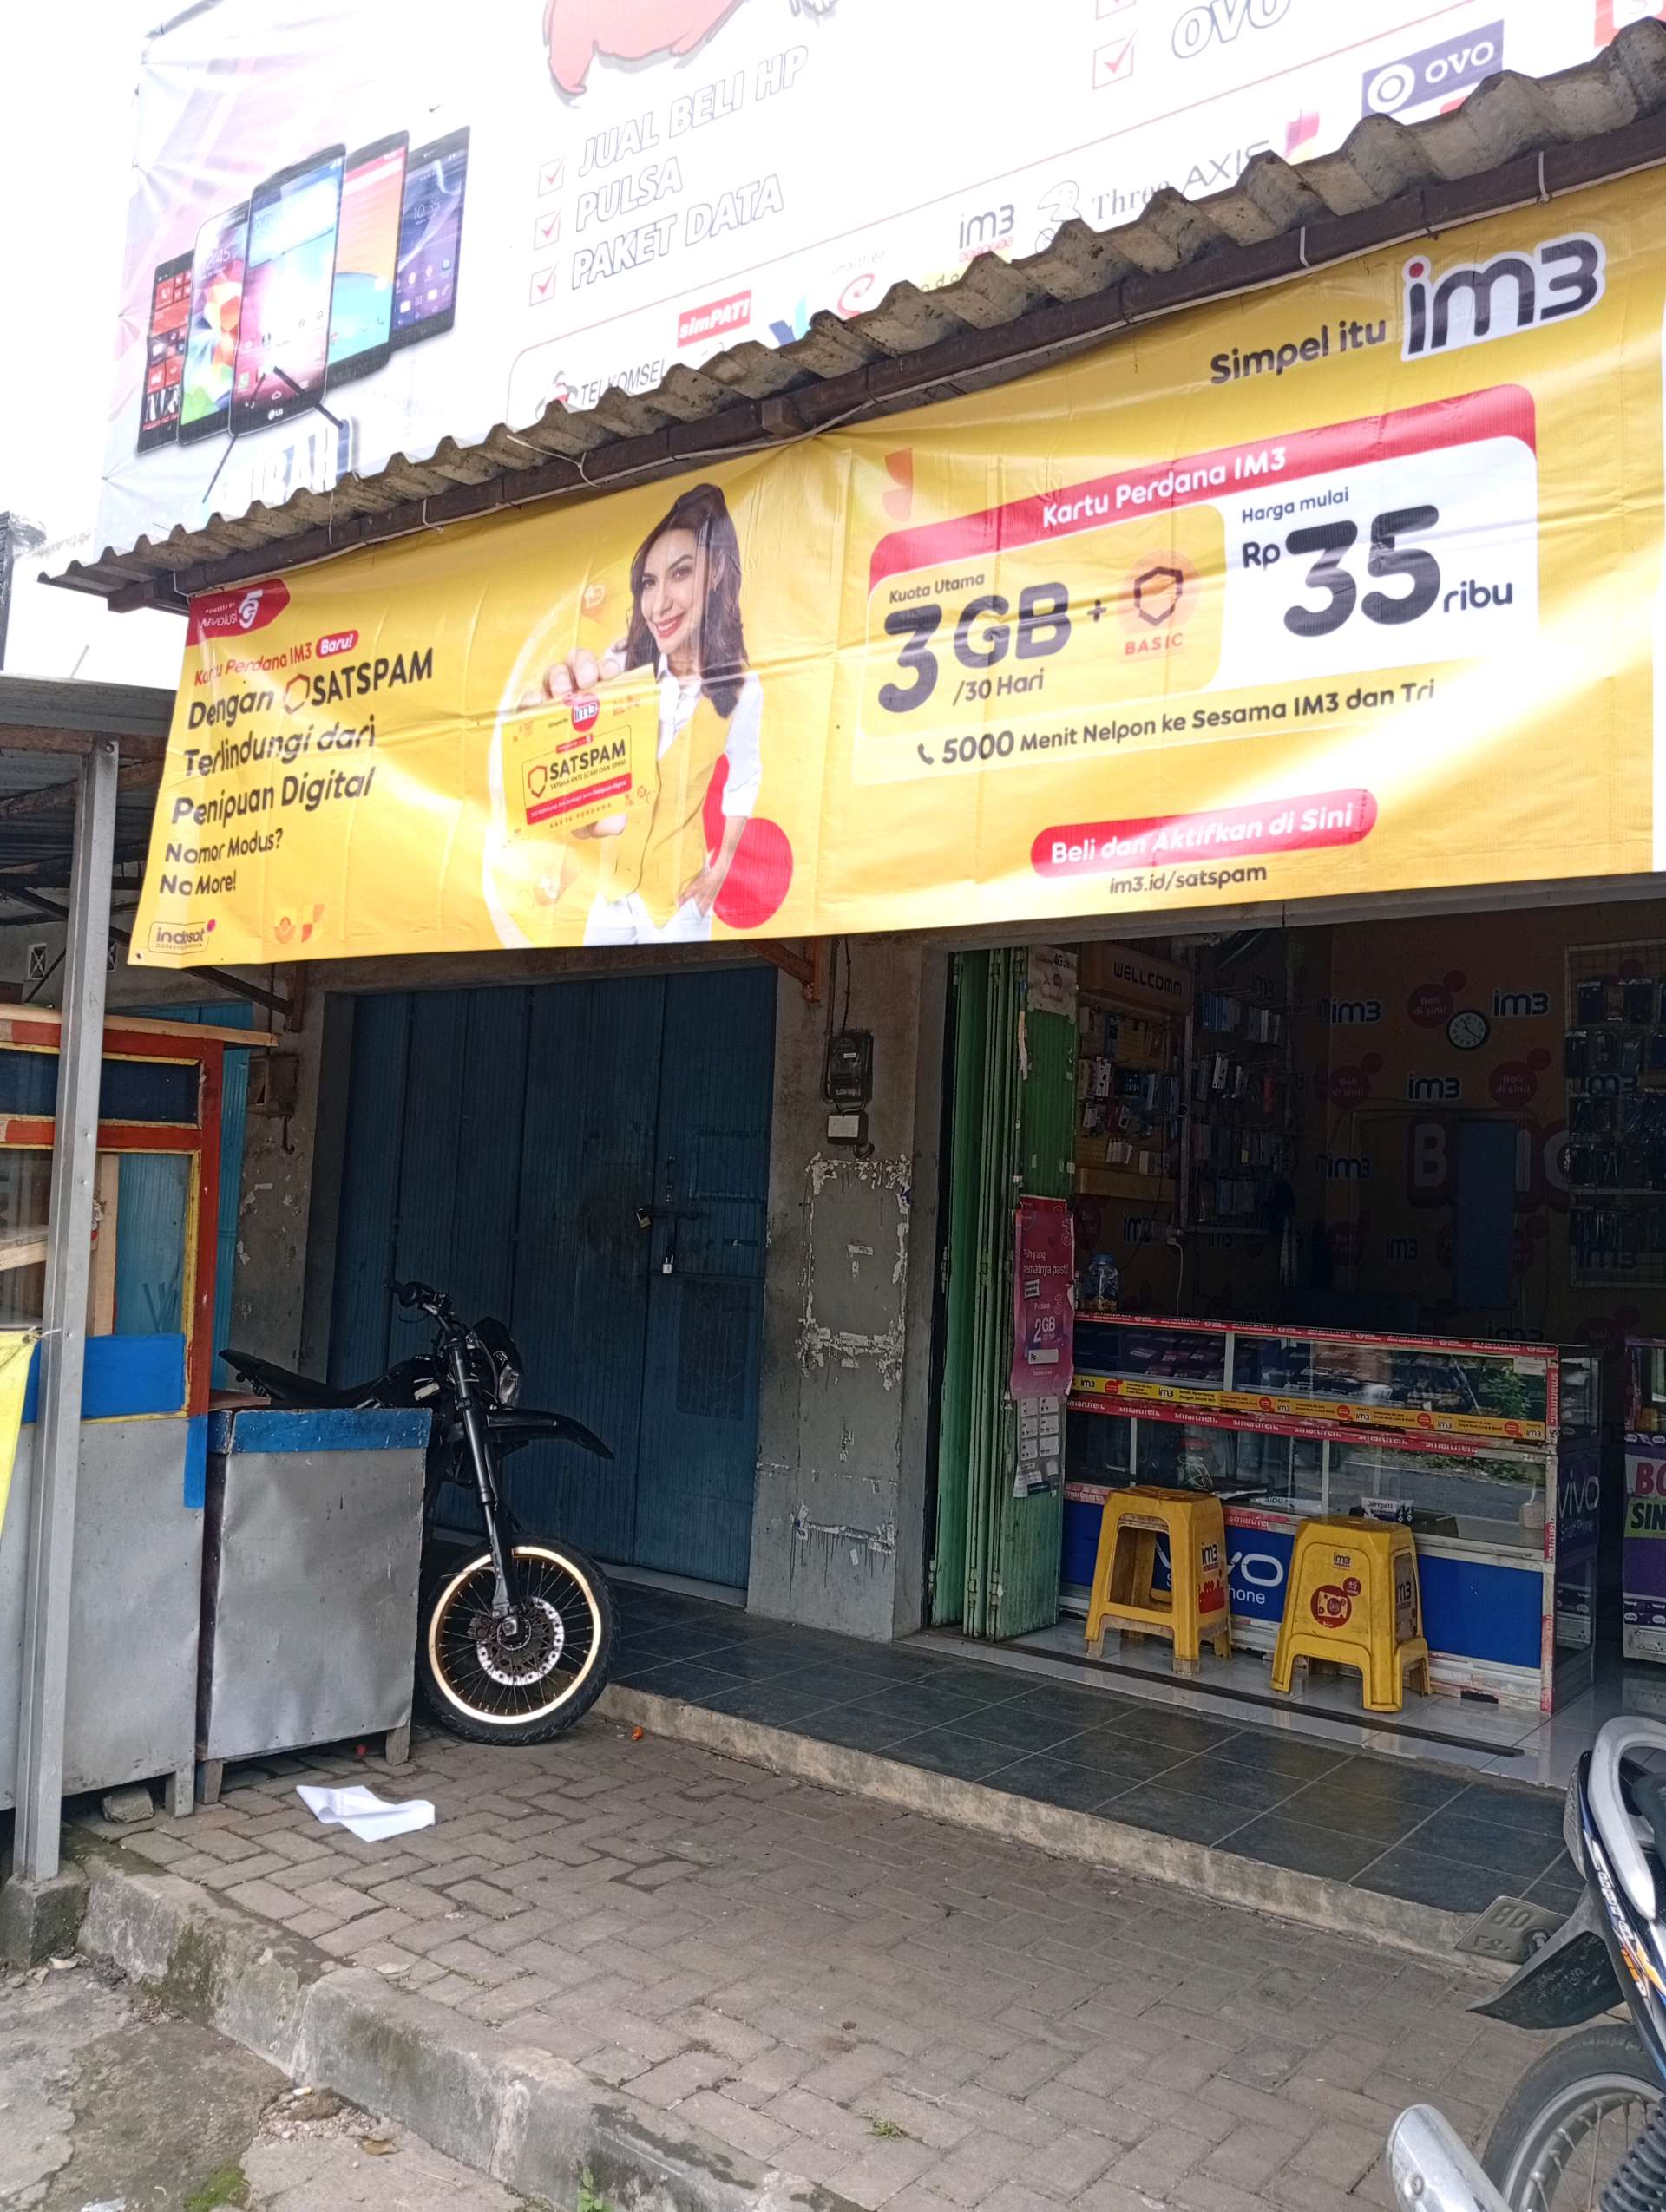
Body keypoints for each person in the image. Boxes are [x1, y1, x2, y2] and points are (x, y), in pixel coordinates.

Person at [521, 481, 762, 945]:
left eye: (680, 573)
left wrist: (719, 872)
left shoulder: (742, 689)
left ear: (715, 573)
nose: (659, 603)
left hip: (678, 905)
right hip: (611, 897)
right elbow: (582, 777)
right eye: (650, 582)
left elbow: (744, 782)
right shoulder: (621, 664)